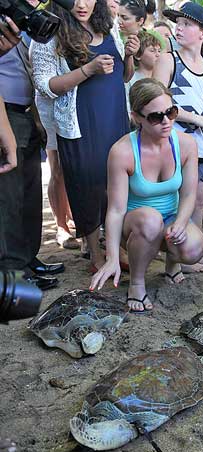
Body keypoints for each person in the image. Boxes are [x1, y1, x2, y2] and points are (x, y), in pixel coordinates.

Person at [32, 0, 138, 272]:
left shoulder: (108, 25)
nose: (81, 4)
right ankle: (96, 255)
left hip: (114, 116)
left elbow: (124, 78)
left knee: (116, 184)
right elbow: (46, 87)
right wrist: (88, 70)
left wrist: (128, 56)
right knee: (87, 185)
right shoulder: (49, 33)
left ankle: (118, 250)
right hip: (79, 121)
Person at [90, 79, 203, 311]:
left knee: (193, 249)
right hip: (135, 223)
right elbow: (115, 210)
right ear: (137, 117)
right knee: (151, 220)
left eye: (170, 112)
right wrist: (112, 255)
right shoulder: (122, 151)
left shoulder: (186, 144)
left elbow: (189, 194)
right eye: (155, 117)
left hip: (170, 217)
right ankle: (137, 283)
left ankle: (172, 263)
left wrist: (181, 223)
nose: (165, 122)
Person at [155, 2, 203, 272]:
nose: (179, 28)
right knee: (175, 203)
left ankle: (189, 255)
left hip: (201, 146)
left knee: (198, 200)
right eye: (177, 23)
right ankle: (174, 265)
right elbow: (157, 105)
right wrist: (195, 119)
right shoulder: (168, 59)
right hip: (170, 143)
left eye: (186, 24)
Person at [0, 23, 62, 291]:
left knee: (29, 196)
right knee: (8, 199)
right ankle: (11, 273)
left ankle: (26, 259)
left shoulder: (18, 23)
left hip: (26, 113)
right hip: (5, 117)